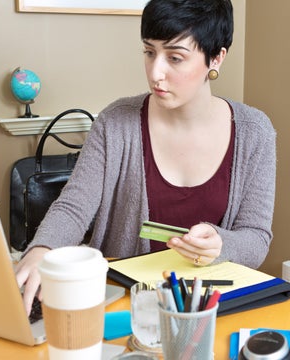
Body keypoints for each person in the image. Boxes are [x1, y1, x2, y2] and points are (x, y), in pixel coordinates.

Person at [15, 0, 276, 314]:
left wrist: (221, 245)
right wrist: (40, 250)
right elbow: (74, 207)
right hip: (125, 307)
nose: (156, 72)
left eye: (175, 57)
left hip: (211, 310)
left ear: (216, 57)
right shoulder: (115, 122)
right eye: (149, 52)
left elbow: (256, 238)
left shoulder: (255, 132)